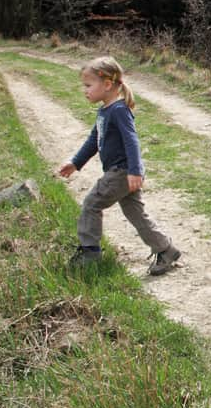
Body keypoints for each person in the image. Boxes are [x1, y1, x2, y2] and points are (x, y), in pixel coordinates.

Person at [58, 56, 181, 276]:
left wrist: (135, 171)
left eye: (88, 85)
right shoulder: (104, 111)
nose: (84, 90)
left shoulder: (119, 110)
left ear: (107, 84)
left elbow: (132, 141)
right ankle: (166, 249)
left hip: (122, 172)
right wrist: (75, 163)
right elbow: (92, 141)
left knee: (91, 204)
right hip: (122, 173)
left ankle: (90, 253)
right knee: (136, 214)